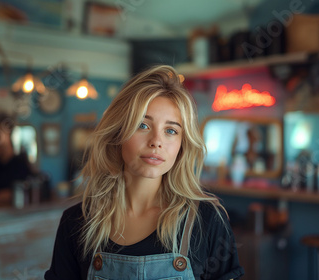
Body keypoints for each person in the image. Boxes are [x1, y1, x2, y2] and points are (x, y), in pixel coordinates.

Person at [45, 65, 244, 279]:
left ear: (181, 145)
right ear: (118, 133)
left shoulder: (207, 221)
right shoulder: (76, 222)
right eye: (143, 125)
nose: (156, 142)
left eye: (171, 131)